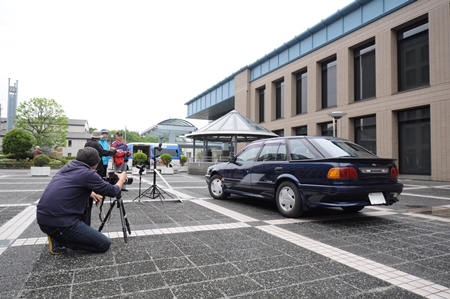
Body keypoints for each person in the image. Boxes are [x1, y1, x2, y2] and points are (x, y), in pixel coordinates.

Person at [36, 147, 127, 254]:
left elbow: (69, 186)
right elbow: (112, 191)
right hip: (59, 223)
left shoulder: (68, 167)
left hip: (44, 218)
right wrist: (122, 179)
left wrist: (90, 192)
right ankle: (60, 240)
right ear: (96, 162)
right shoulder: (88, 173)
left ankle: (64, 234)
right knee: (104, 244)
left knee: (88, 197)